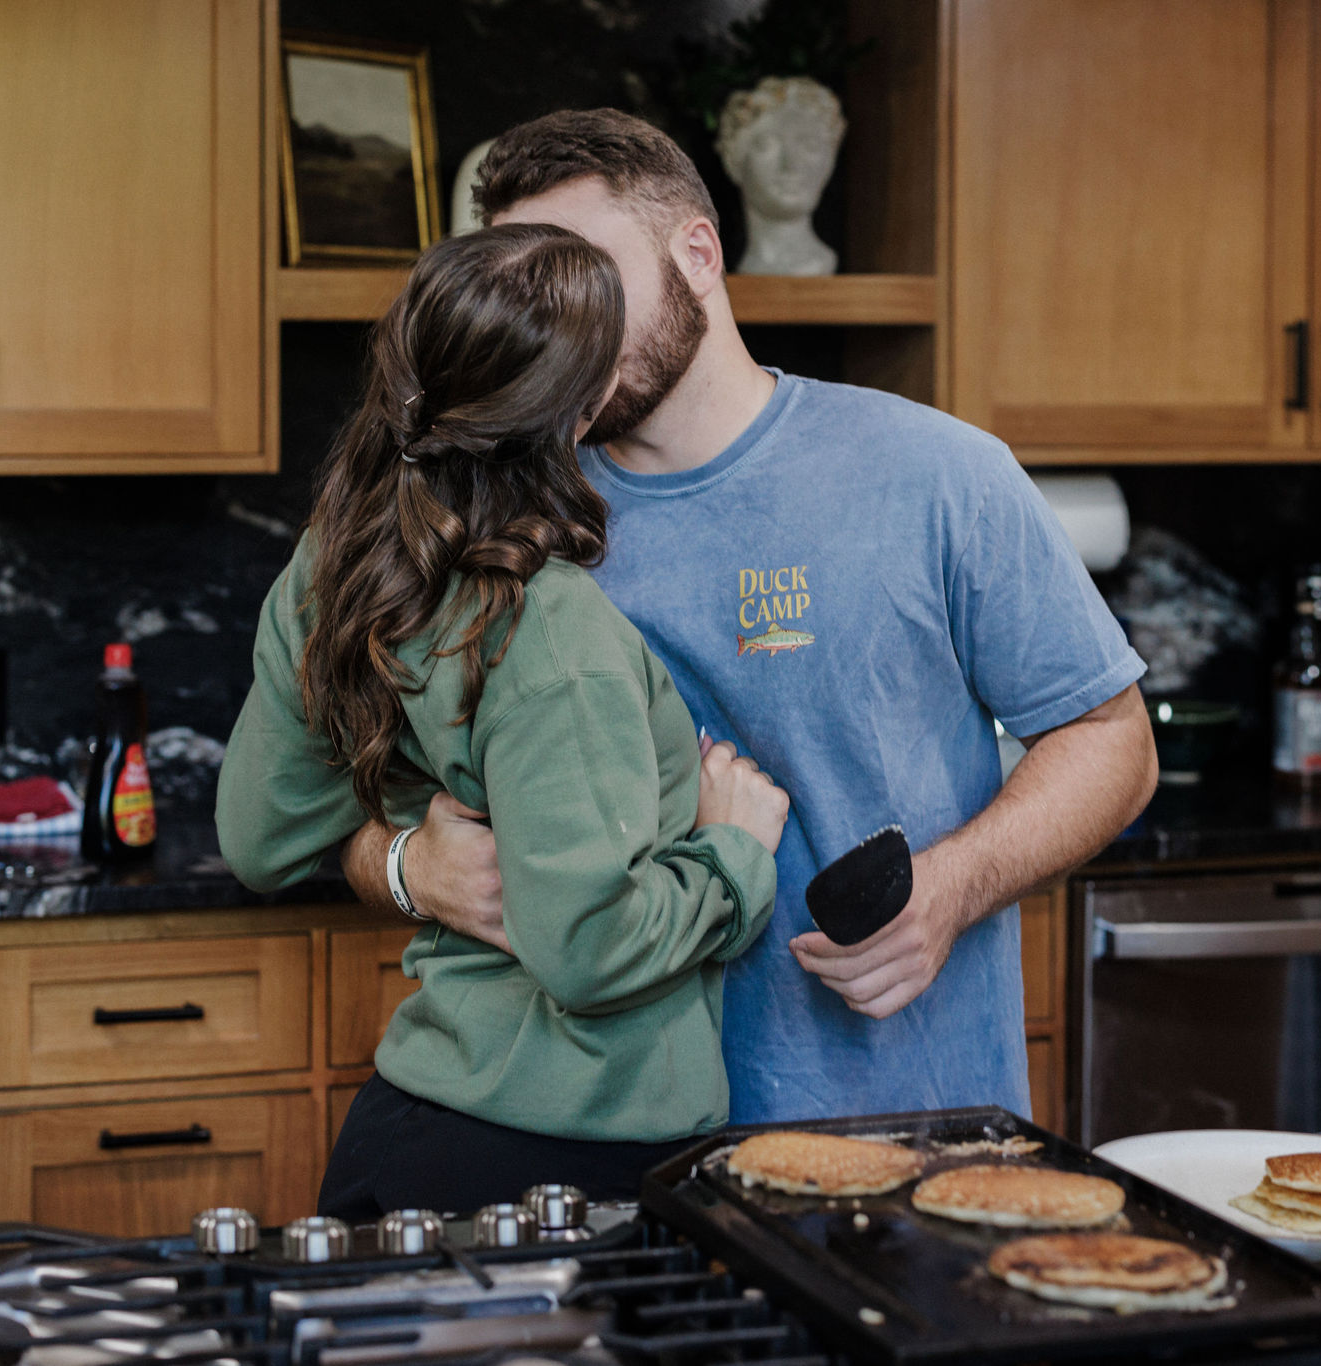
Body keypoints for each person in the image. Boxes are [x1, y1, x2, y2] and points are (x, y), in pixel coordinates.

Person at [339, 109, 1158, 1126]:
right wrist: (409, 869)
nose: (562, 330)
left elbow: (1108, 739)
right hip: (594, 1136)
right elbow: (319, 807)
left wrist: (949, 889)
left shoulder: (935, 473)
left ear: (697, 253)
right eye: (531, 290)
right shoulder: (495, 519)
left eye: (587, 278)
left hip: (901, 1120)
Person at [215, 223, 789, 1213]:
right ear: (586, 407)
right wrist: (733, 856)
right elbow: (591, 951)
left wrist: (402, 863)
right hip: (566, 1170)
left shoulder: (332, 563)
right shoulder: (553, 631)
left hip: (414, 1129)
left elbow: (258, 836)